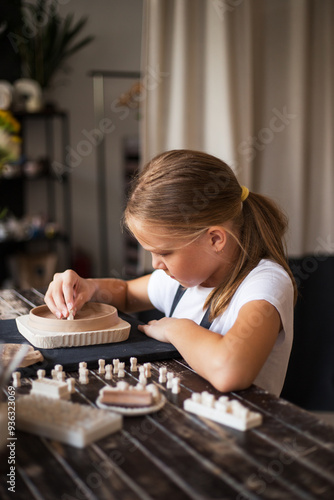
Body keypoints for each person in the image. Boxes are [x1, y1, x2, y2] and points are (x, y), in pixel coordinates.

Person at [45, 149, 297, 396]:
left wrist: (175, 330)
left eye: (164, 253)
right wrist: (88, 288)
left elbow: (230, 370)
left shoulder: (265, 284)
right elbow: (125, 293)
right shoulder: (187, 278)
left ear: (215, 239)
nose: (156, 264)